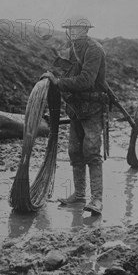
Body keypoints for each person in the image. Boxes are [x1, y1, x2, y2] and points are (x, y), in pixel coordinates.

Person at [41, 15, 107, 214]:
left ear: (86, 30)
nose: (71, 31)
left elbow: (86, 80)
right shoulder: (71, 50)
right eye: (69, 28)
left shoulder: (94, 49)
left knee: (92, 152)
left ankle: (97, 199)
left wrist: (58, 83)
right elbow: (62, 72)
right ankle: (79, 195)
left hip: (93, 107)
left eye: (76, 28)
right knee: (74, 151)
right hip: (76, 109)